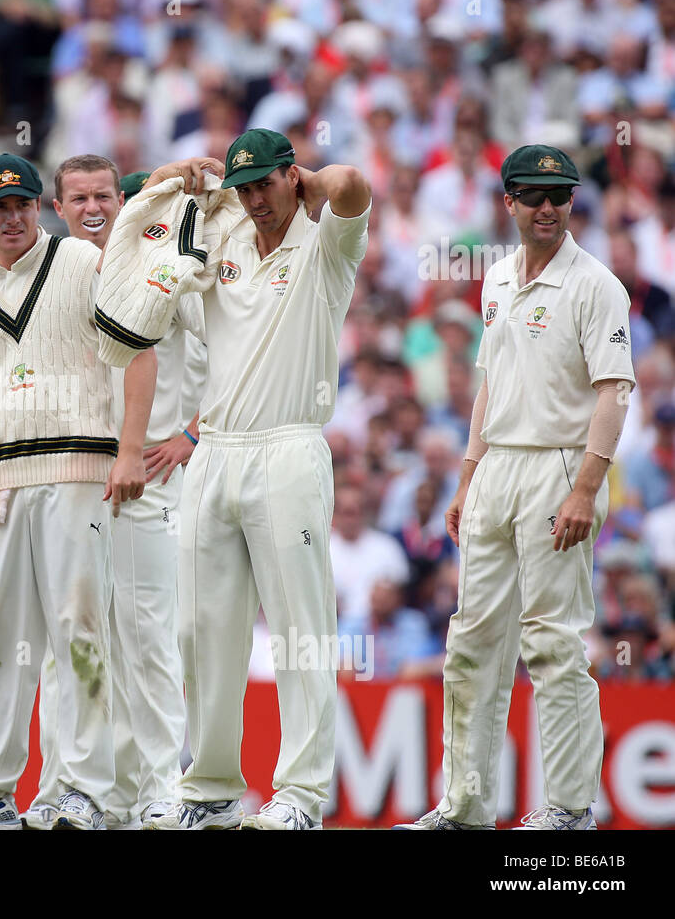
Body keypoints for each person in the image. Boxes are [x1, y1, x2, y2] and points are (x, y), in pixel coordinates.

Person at [129, 129, 372, 830]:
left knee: (301, 629)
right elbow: (142, 223)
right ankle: (207, 788)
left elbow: (353, 185)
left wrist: (306, 185)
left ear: (291, 176)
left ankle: (299, 795)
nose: (256, 199)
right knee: (202, 629)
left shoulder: (325, 246)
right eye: (246, 188)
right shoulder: (224, 241)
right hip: (215, 449)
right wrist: (179, 176)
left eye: (267, 182)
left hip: (290, 447)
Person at [0, 152, 156, 830]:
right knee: (0, 636)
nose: (12, 216)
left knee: (78, 628)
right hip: (1, 479)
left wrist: (130, 450)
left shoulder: (83, 262)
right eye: (0, 207)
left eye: (23, 204)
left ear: (39, 208)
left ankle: (81, 785)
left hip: (79, 468)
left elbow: (139, 352)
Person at [396, 145, 634, 830]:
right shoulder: (496, 279)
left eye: (559, 196)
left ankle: (568, 808)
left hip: (561, 464)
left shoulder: (595, 285)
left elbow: (614, 392)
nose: (547, 208)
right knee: (472, 640)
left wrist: (586, 488)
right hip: (499, 466)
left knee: (554, 641)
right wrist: (467, 478)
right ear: (509, 203)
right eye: (532, 195)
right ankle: (465, 805)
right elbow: (490, 383)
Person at [23, 154, 206, 830]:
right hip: (77, 475)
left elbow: (220, 354)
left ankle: (160, 785)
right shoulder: (60, 271)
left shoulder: (160, 264)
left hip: (147, 476)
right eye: (80, 198)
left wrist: (190, 433)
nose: (93, 207)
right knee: (71, 637)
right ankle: (78, 789)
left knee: (147, 634)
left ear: (123, 200)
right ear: (59, 207)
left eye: (105, 194)